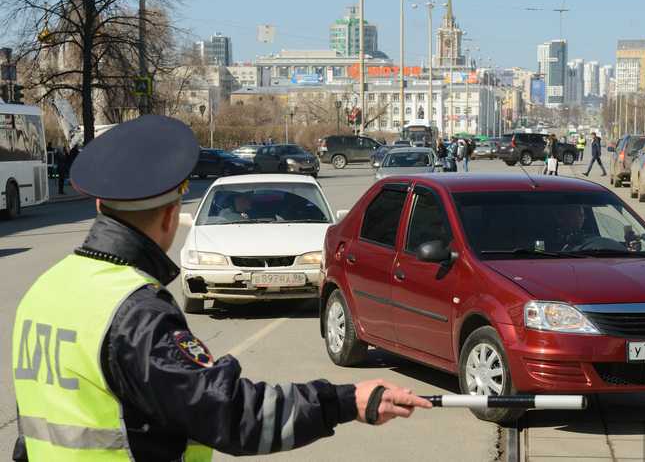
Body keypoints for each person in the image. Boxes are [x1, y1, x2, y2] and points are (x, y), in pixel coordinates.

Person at [11, 115, 431, 461]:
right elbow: (228, 415)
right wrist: (344, 402)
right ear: (171, 214)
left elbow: (29, 430)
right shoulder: (134, 312)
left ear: (101, 205)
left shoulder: (45, 290)